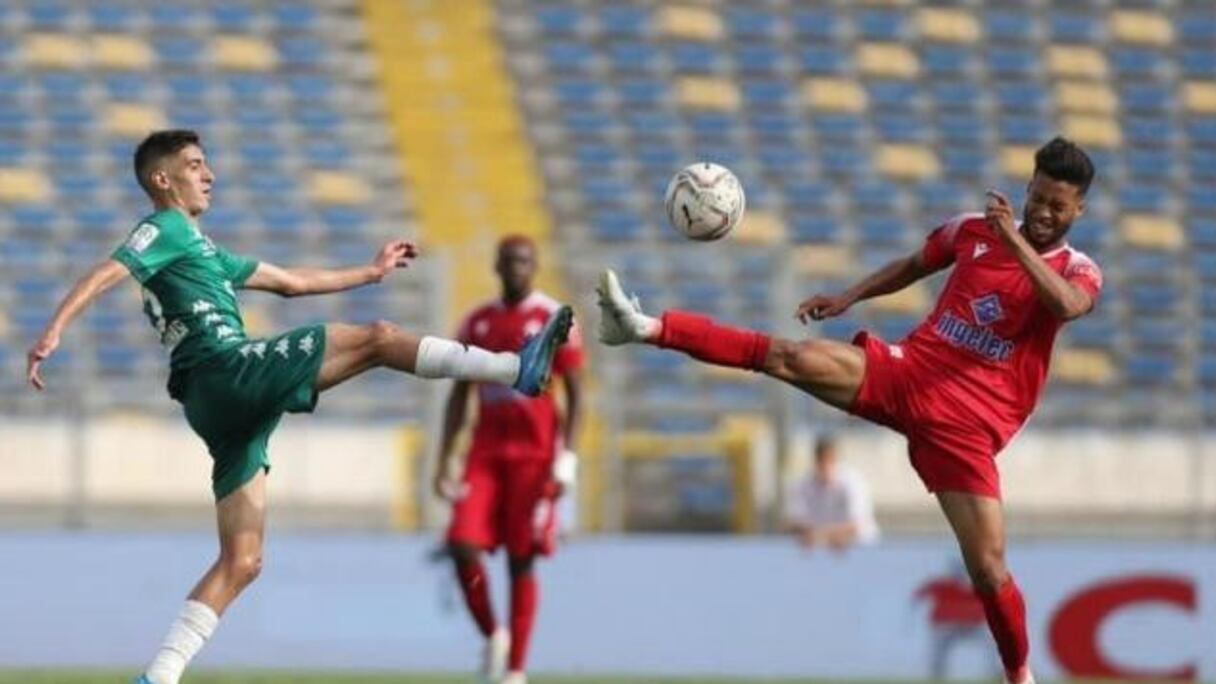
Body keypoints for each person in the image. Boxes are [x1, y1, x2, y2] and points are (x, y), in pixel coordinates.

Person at [24, 129, 573, 684]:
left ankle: (157, 678)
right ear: (162, 179)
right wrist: (54, 329)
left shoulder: (200, 248)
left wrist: (370, 272)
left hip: (220, 405)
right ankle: (512, 369)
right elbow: (109, 270)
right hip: (226, 372)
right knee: (380, 338)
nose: (209, 175)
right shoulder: (163, 227)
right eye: (194, 165)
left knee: (243, 561)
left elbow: (290, 282)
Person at [597, 137, 1102, 684]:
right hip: (910, 373)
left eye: (1058, 206)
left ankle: (1019, 676)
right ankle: (644, 327)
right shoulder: (972, 230)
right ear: (1028, 189)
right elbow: (914, 264)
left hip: (968, 427)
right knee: (790, 357)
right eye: (1038, 198)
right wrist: (849, 297)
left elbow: (1066, 305)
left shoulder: (1079, 270)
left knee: (988, 569)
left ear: (1079, 210)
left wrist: (1014, 241)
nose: (1044, 212)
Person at [433, 235, 584, 684]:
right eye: (510, 261)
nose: (517, 267)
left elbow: (577, 395)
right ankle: (494, 634)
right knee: (461, 544)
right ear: (497, 266)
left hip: (535, 458)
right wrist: (444, 459)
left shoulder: (554, 320)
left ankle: (516, 671)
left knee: (522, 558)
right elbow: (459, 395)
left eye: (525, 261)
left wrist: (567, 460)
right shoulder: (477, 322)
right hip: (485, 454)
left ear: (534, 266)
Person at [783, 435, 879, 550]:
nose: (826, 466)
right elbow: (792, 524)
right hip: (819, 551)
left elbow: (856, 526)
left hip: (860, 549)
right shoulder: (802, 485)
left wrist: (820, 535)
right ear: (816, 461)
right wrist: (821, 536)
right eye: (822, 461)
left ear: (837, 460)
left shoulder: (853, 482)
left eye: (831, 460)